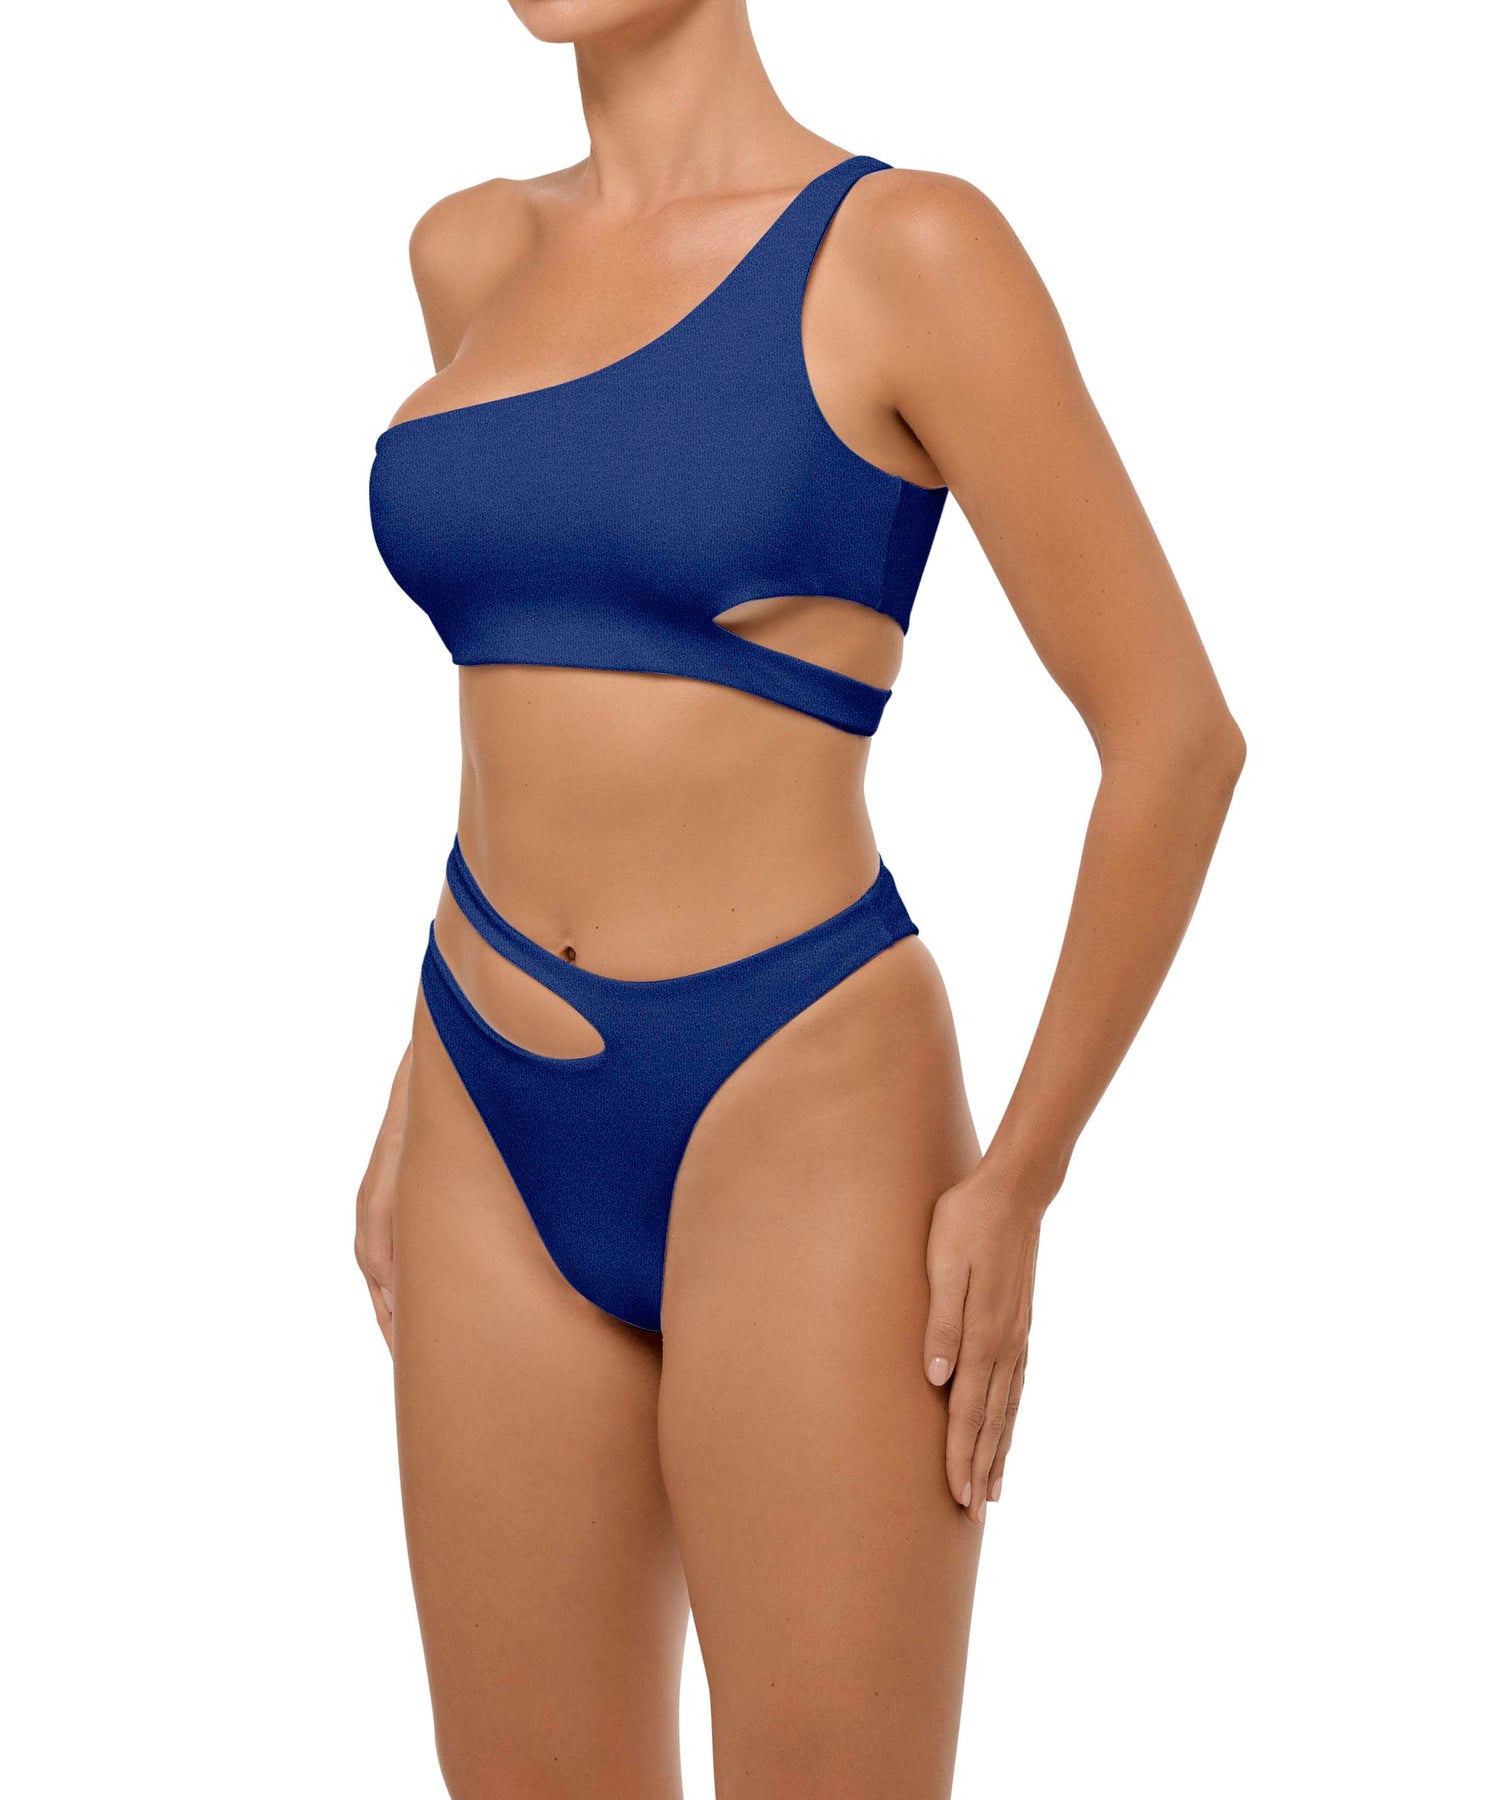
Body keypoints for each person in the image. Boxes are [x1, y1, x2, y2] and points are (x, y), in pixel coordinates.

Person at [354, 2, 1245, 1793]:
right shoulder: (470, 253)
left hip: (800, 1100)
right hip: (480, 1094)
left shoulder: (909, 251)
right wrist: (410, 1080)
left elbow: (1174, 739)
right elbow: (525, 697)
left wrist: (1024, 1177)